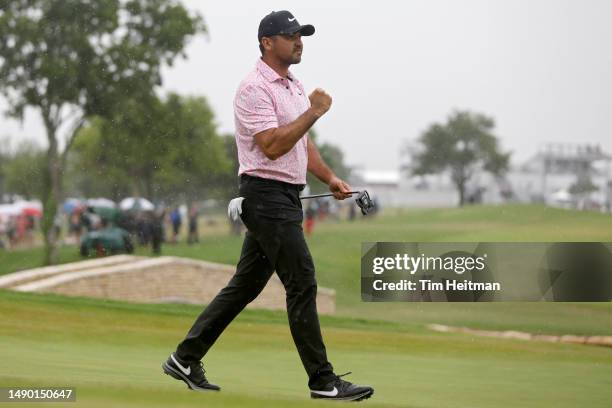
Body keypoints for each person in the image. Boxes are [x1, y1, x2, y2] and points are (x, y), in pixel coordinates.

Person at [162, 10, 374, 402]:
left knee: (245, 286)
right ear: (267, 42)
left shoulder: (293, 86)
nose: (299, 41)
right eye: (291, 35)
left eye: (301, 35)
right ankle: (322, 381)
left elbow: (300, 143)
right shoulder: (253, 88)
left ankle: (185, 358)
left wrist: (329, 178)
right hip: (265, 197)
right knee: (302, 280)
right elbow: (273, 146)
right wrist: (313, 112)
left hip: (285, 197)